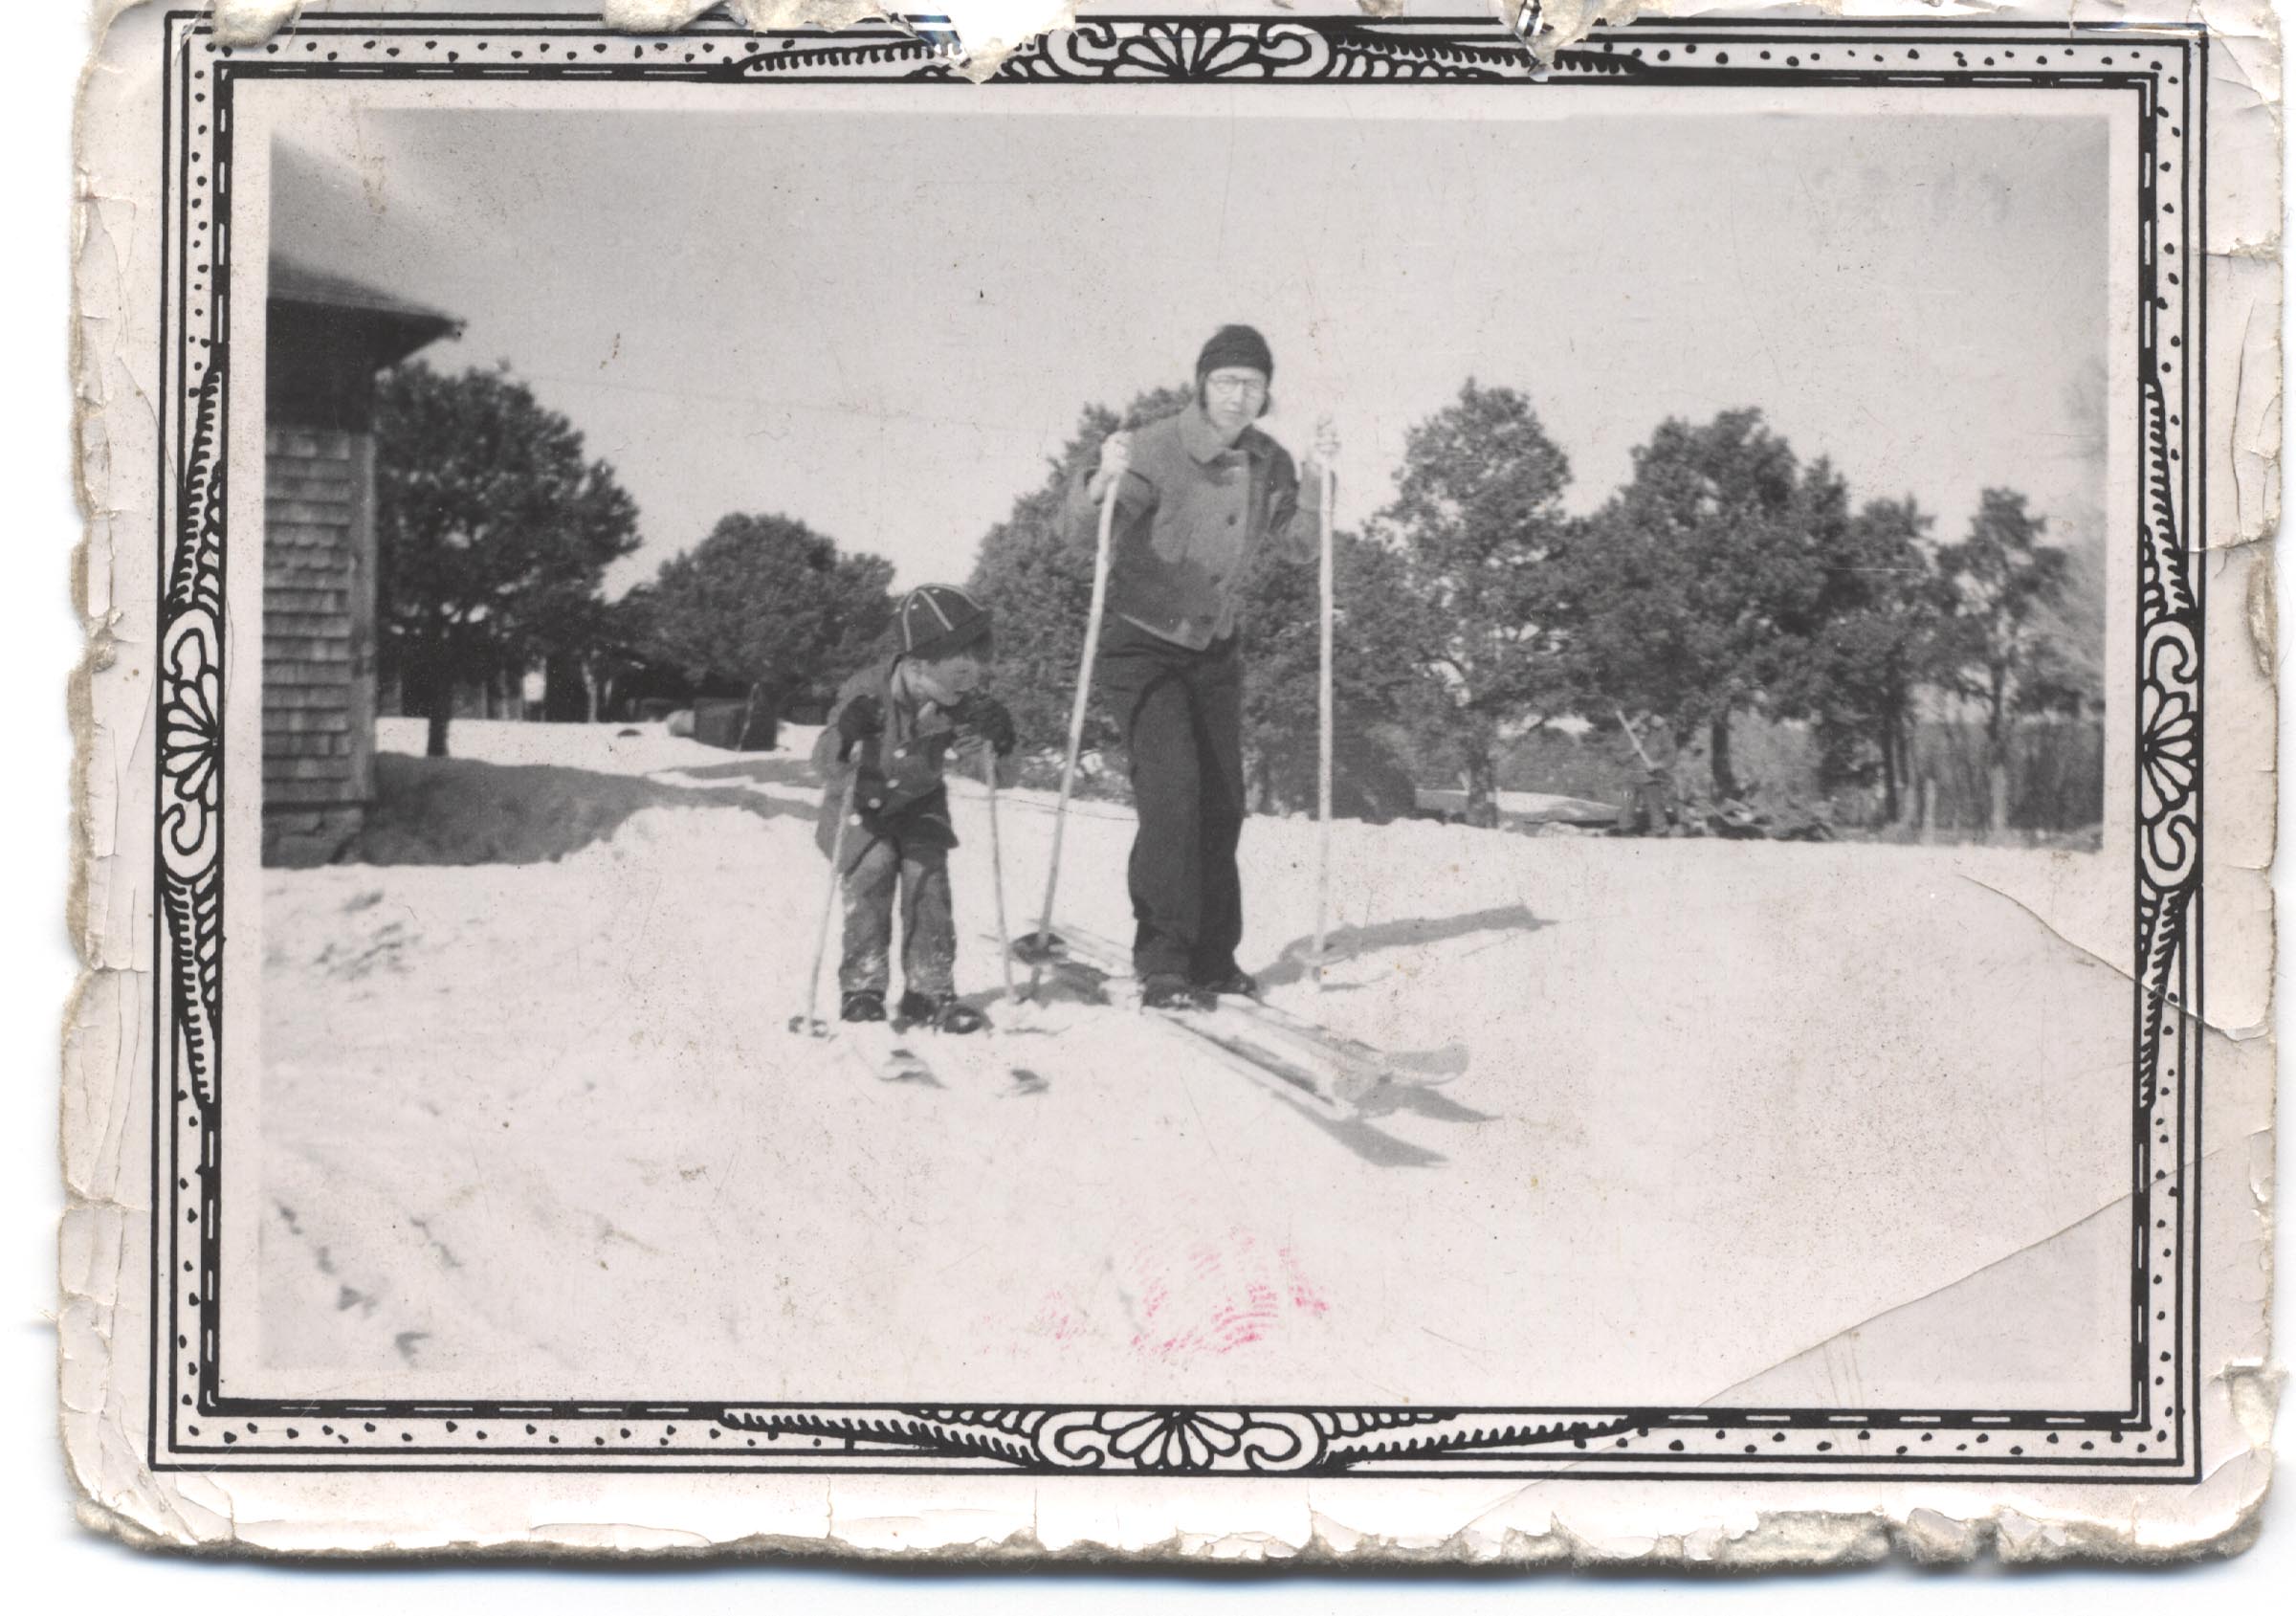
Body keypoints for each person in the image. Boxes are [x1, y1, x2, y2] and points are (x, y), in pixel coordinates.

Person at [1064, 323, 1337, 1011]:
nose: (1239, 395)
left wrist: (1315, 481)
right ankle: (1163, 959)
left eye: (1253, 384)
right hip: (1141, 640)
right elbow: (1080, 535)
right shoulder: (1155, 446)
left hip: (1214, 646)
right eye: (1226, 381)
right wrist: (1101, 483)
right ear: (1202, 384)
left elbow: (1301, 548)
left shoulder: (1270, 460)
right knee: (1172, 793)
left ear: (1267, 393)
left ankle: (1214, 957)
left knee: (1223, 801)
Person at [812, 584, 1019, 1033]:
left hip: (920, 805)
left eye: (975, 673)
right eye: (958, 674)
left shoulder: (960, 702)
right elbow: (824, 764)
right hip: (862, 806)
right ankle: (863, 986)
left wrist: (998, 743)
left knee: (927, 880)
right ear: (918, 665)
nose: (968, 686)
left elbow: (998, 778)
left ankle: (929, 990)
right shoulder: (865, 692)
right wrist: (846, 733)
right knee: (873, 869)